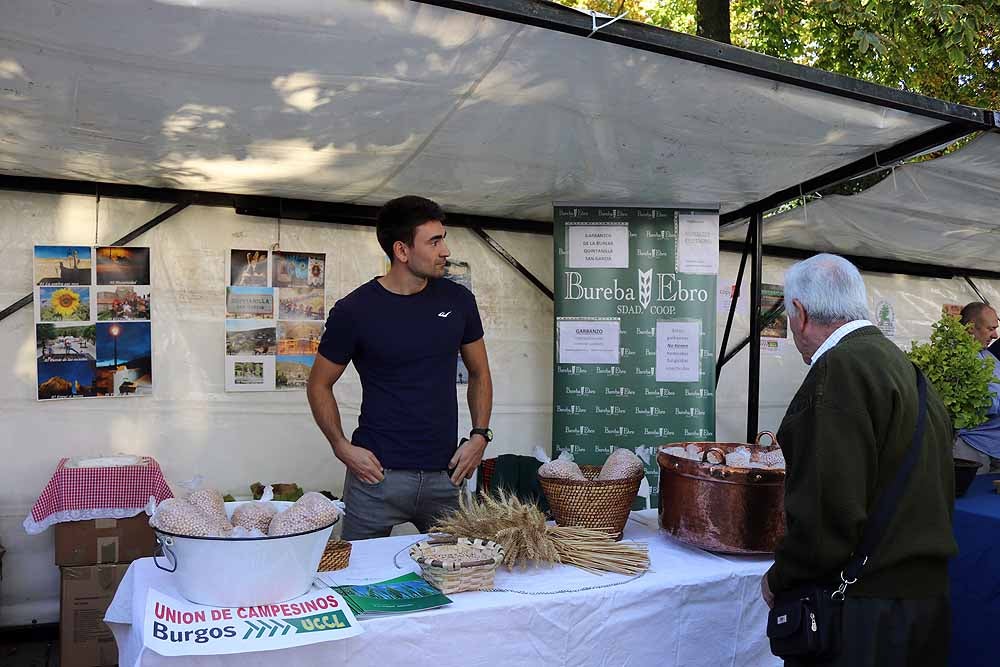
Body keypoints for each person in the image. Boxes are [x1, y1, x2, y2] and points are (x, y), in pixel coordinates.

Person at [761, 254, 956, 666]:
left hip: (864, 615)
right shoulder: (905, 368)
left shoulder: (839, 372)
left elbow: (826, 515)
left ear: (798, 312)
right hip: (921, 610)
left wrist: (779, 578)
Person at [307, 195, 494, 540]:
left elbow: (480, 374)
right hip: (375, 479)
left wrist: (480, 436)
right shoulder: (354, 310)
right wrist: (340, 446)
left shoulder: (458, 301)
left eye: (444, 239)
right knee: (359, 581)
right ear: (402, 251)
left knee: (462, 581)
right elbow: (318, 384)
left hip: (446, 476)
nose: (446, 251)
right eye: (434, 241)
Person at [954, 302, 1000, 473]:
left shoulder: (987, 355)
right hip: (972, 450)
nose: (995, 335)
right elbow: (983, 402)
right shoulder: (956, 358)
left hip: (994, 448)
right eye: (990, 329)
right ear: (971, 327)